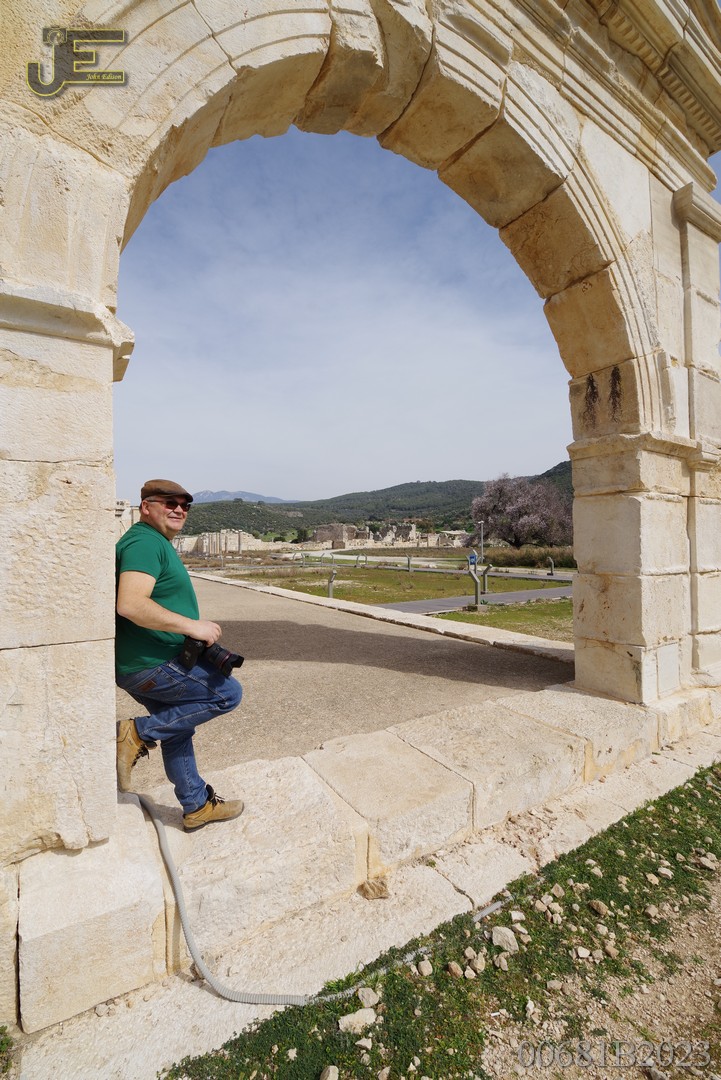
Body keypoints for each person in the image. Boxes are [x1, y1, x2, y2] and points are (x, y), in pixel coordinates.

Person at [115, 479, 244, 831]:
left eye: (185, 505)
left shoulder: (155, 541)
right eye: (169, 503)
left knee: (177, 728)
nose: (178, 510)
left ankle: (196, 805)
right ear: (146, 507)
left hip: (142, 662)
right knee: (227, 694)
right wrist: (192, 626)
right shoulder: (144, 542)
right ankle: (136, 733)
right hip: (150, 663)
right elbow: (130, 604)